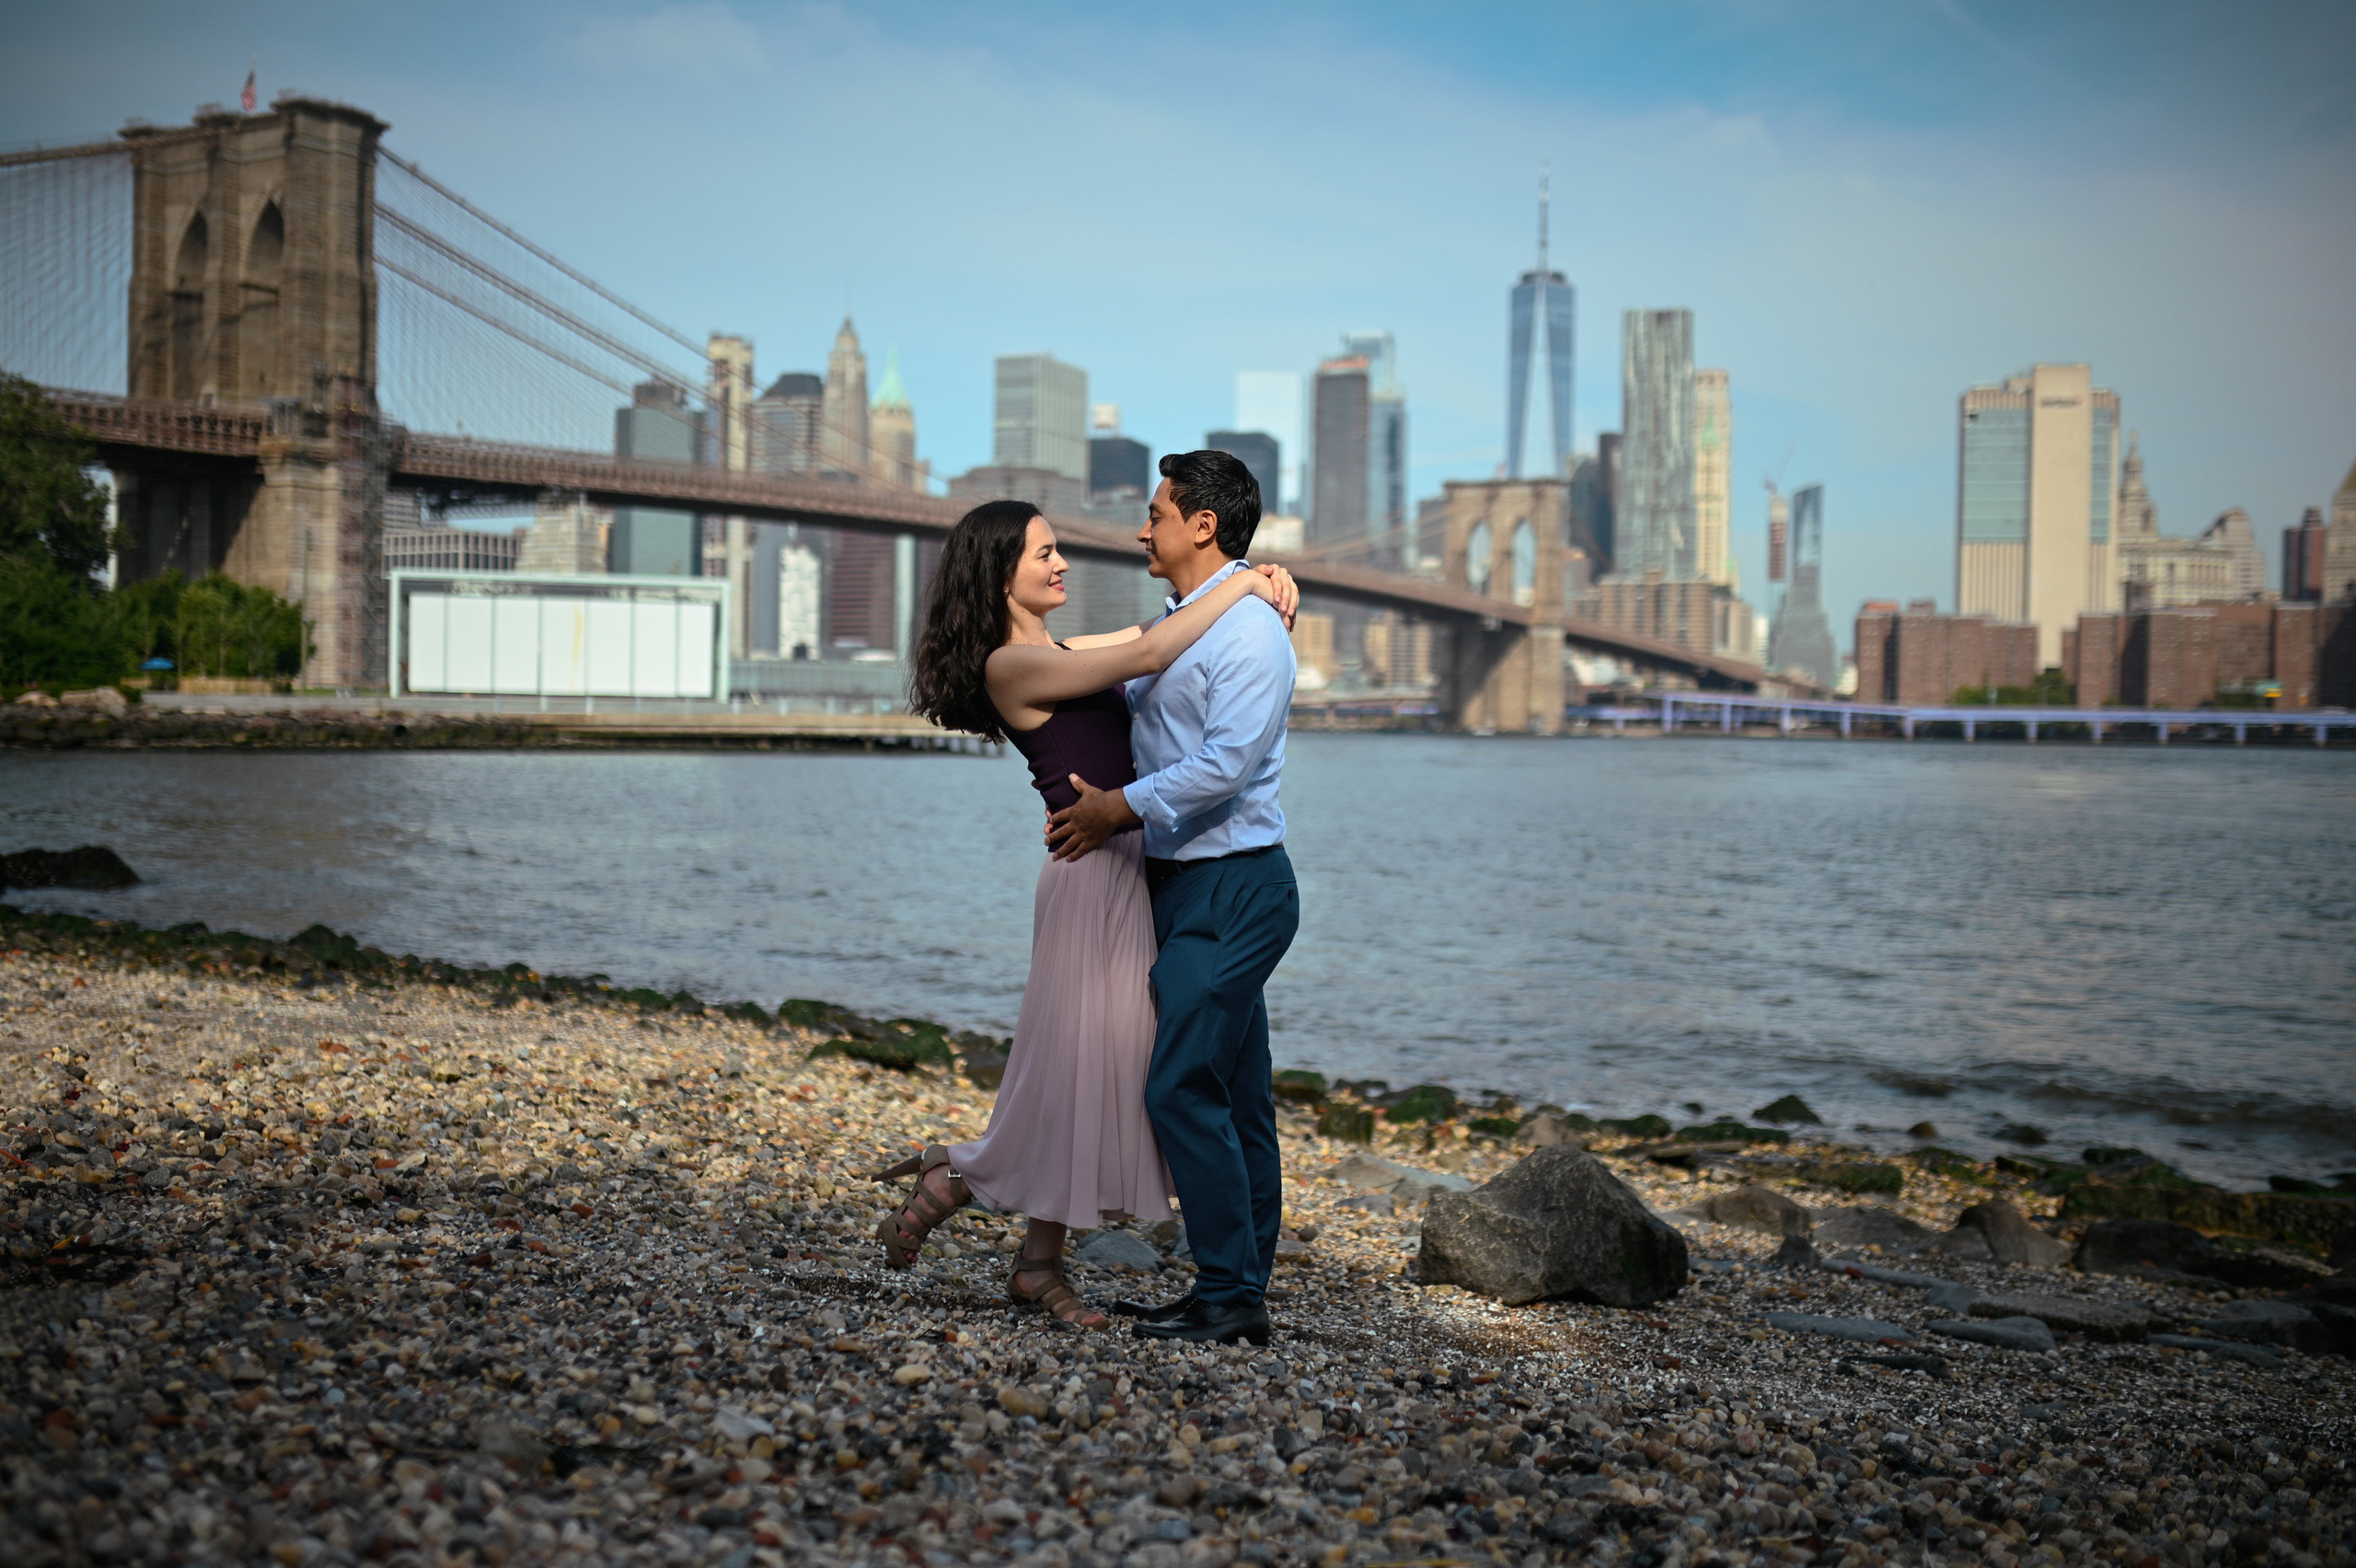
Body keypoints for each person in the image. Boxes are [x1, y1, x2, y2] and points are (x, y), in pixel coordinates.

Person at [886, 498, 1298, 1330]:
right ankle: (967, 1182)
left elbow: (1165, 636)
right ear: (998, 572)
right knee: (1082, 1070)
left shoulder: (1063, 651)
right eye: (1043, 553)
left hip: (1126, 873)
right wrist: (1250, 581)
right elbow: (1153, 646)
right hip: (1090, 879)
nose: (1062, 563)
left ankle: (1031, 1257)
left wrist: (1256, 583)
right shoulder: (1013, 665)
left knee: (1086, 1071)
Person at [1045, 449, 1299, 1346]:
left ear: (1202, 525)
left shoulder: (1250, 632)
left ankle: (1230, 1294)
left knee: (1180, 1086)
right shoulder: (1190, 620)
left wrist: (1117, 807)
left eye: (1155, 514)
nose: (1140, 529)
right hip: (1184, 882)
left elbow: (1227, 765)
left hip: (1235, 886)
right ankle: (1239, 1290)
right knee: (1234, 1096)